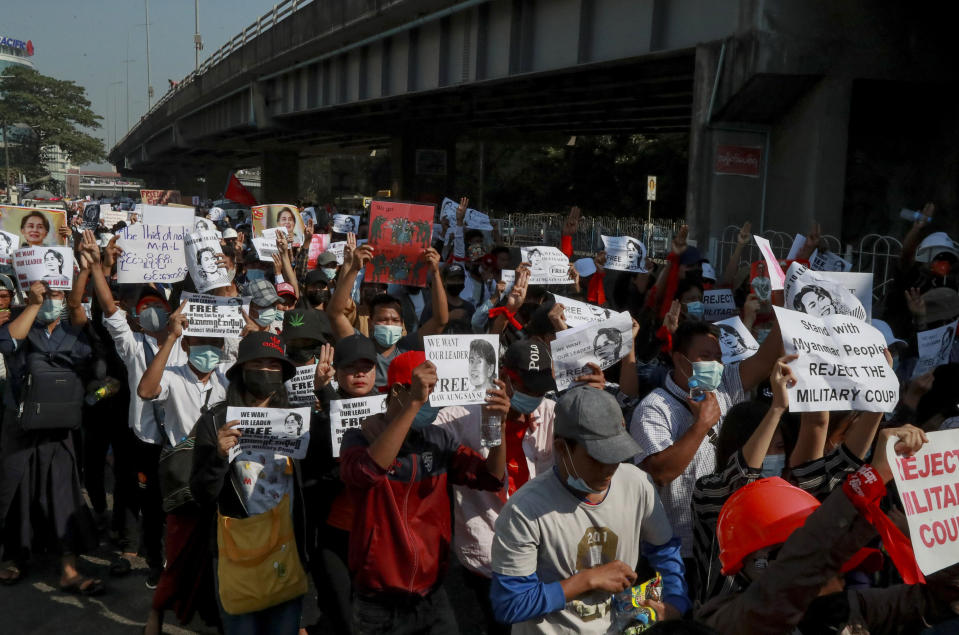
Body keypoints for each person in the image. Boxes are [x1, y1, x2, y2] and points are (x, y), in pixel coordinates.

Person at [698, 425, 959, 632]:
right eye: (831, 566)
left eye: (840, 568)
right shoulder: (728, 623)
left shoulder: (845, 610)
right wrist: (869, 481)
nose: (840, 578)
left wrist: (937, 551)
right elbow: (795, 576)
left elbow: (943, 600)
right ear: (763, 562)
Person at [490, 386, 690, 633]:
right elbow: (510, 603)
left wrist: (674, 603)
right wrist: (586, 580)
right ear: (563, 449)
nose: (610, 467)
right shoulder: (525, 510)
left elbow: (665, 550)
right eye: (598, 457)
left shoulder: (638, 484)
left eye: (617, 454)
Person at [339, 352, 507, 633]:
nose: (432, 402)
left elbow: (491, 478)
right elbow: (367, 472)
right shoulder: (361, 437)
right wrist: (415, 403)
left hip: (432, 595)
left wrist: (496, 425)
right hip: (380, 602)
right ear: (397, 391)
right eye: (426, 391)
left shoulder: (438, 438)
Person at [629, 318, 782, 598]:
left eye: (719, 358)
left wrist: (786, 303)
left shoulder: (724, 388)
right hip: (672, 550)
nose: (715, 365)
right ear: (679, 359)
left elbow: (764, 360)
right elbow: (660, 473)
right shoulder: (654, 409)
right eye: (705, 357)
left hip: (719, 545)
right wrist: (701, 426)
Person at [433, 338, 558, 635]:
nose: (536, 397)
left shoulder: (553, 415)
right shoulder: (458, 418)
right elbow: (419, 439)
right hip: (488, 555)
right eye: (528, 388)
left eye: (541, 390)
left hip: (541, 552)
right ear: (504, 378)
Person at [190, 332, 309, 634]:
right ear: (242, 369)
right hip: (236, 552)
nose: (266, 371)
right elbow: (201, 494)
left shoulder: (296, 421)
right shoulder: (215, 421)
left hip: (287, 548)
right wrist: (218, 455)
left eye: (274, 364)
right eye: (258, 363)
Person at [0, 279, 100, 593]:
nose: (49, 300)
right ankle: (12, 557)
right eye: (44, 294)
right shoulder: (21, 319)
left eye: (55, 294)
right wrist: (32, 304)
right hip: (21, 424)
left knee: (62, 493)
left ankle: (68, 569)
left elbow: (90, 355)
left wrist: (83, 275)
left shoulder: (74, 328)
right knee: (14, 491)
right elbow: (7, 345)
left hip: (60, 426)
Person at [138, 304, 229, 634]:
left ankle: (214, 615)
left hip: (218, 474)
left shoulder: (225, 381)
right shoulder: (174, 378)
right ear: (188, 345)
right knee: (178, 550)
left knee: (215, 554)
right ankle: (156, 612)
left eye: (215, 343)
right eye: (201, 342)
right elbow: (146, 391)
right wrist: (171, 338)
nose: (209, 350)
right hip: (183, 476)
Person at [327, 241, 449, 387]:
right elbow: (335, 314)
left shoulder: (408, 346)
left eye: (395, 320)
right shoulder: (359, 345)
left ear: (402, 323)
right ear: (371, 322)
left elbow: (440, 320)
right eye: (383, 320)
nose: (389, 325)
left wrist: (435, 273)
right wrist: (354, 268)